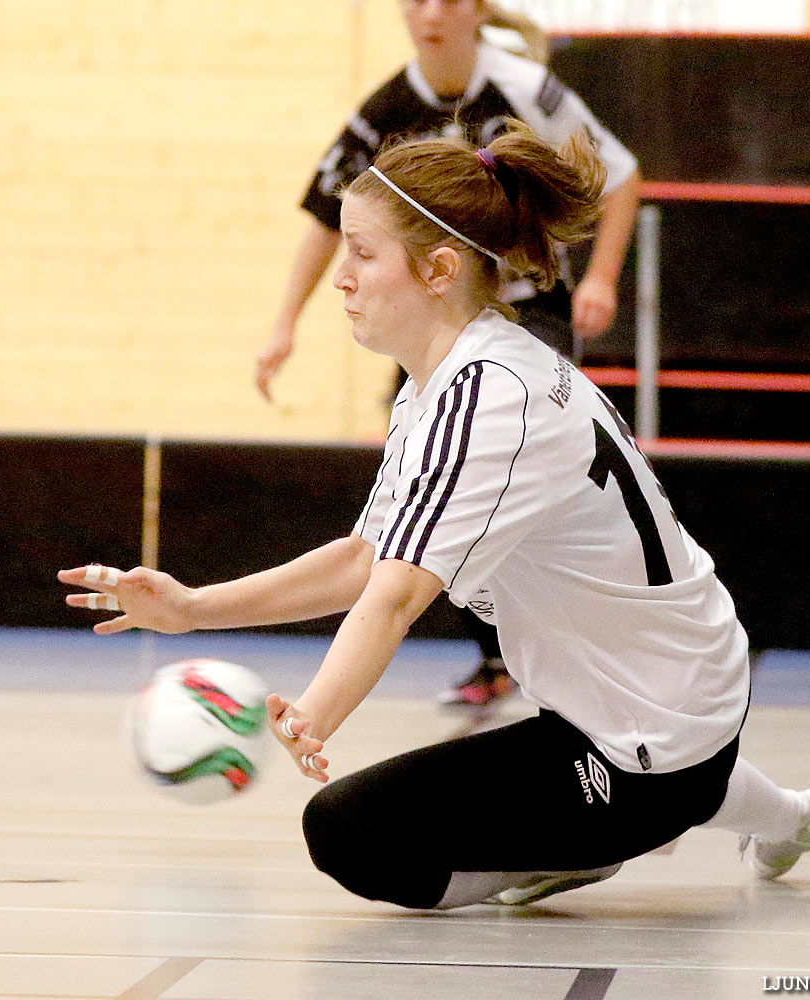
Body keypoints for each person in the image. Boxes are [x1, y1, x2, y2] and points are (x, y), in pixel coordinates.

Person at [63, 123, 810, 909]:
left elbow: (396, 596)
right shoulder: (454, 378)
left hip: (648, 734)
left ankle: (595, 843)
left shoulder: (488, 399)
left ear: (439, 270)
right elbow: (365, 559)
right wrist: (193, 609)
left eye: (363, 255)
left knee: (350, 833)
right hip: (673, 698)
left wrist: (316, 714)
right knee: (666, 768)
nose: (340, 278)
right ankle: (781, 817)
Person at [254, 0, 642, 710]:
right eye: (416, 0)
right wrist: (284, 325)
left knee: (482, 466)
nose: (429, 15)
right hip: (433, 312)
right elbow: (323, 219)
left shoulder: (527, 89)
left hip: (527, 308)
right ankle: (498, 658)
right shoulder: (385, 107)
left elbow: (619, 174)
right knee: (429, 488)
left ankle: (574, 647)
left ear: (476, 9)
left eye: (448, 0)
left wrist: (605, 278)